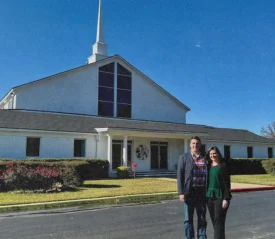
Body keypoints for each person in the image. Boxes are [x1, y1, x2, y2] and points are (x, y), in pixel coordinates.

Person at [177, 136, 207, 239]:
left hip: (202, 192)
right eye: (193, 143)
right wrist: (181, 192)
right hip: (189, 192)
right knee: (188, 219)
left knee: (202, 218)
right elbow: (180, 175)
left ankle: (202, 237)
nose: (195, 145)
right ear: (190, 145)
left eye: (197, 143)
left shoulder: (204, 158)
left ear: (200, 145)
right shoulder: (184, 157)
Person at [205, 146, 232, 239]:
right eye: (211, 154)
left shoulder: (223, 166)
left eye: (214, 153)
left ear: (218, 154)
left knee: (218, 223)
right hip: (209, 197)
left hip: (220, 197)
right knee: (215, 224)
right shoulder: (208, 166)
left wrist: (226, 198)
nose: (212, 155)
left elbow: (227, 183)